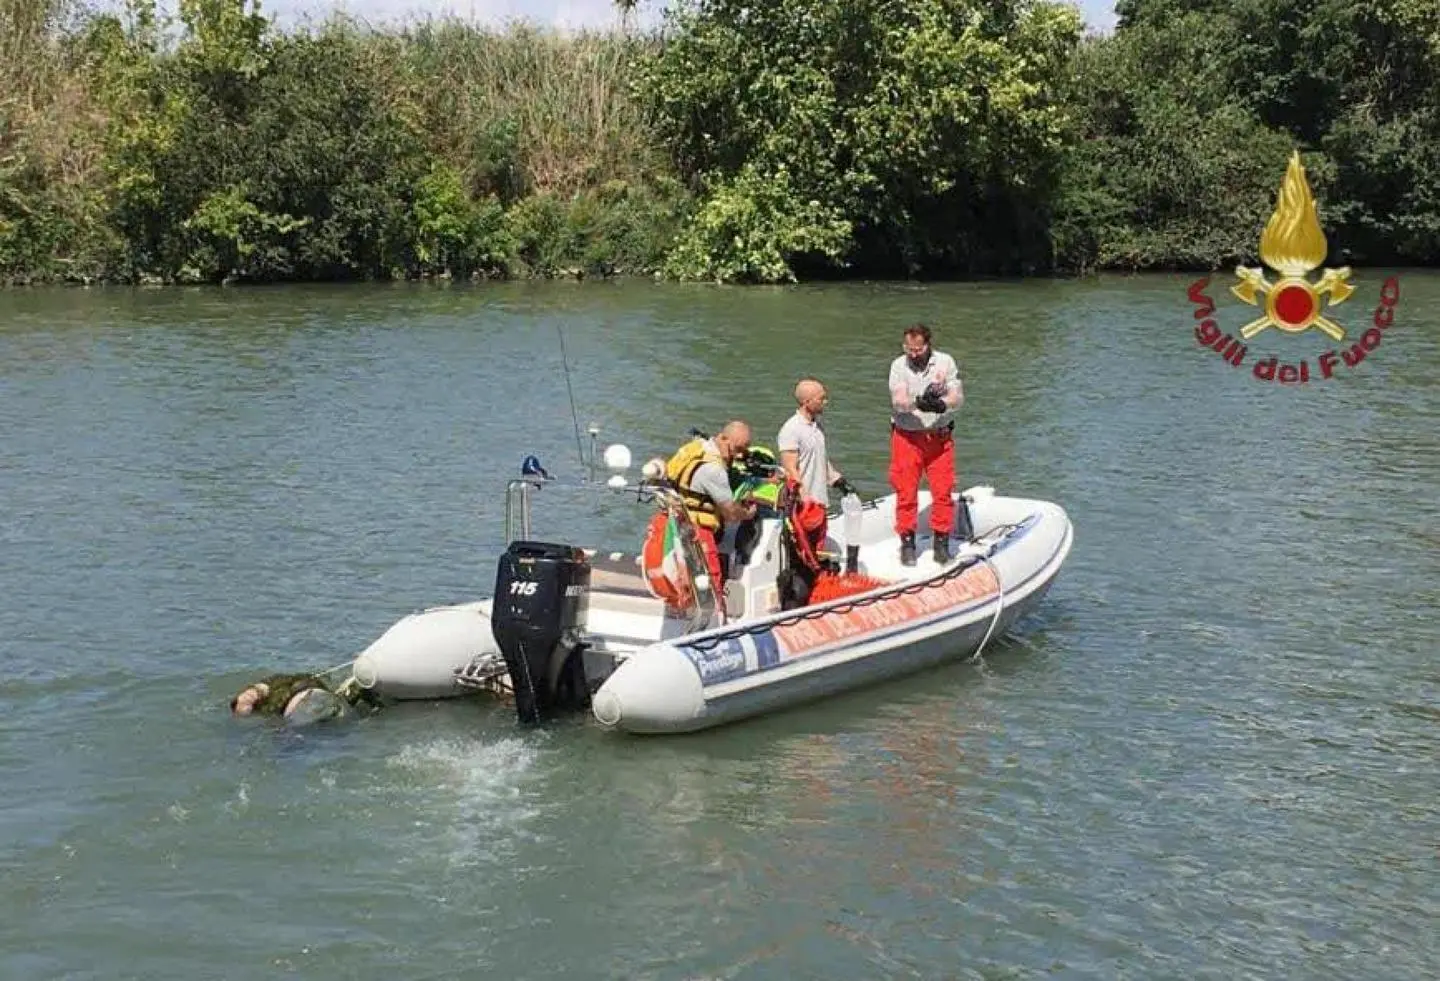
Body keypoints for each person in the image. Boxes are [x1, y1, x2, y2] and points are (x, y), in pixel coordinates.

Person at [888, 323, 964, 565]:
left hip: (939, 438)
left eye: (918, 349)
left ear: (928, 345)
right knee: (905, 491)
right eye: (909, 349)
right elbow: (899, 400)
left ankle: (941, 542)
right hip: (907, 437)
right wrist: (919, 402)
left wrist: (944, 404)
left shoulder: (945, 362)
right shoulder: (899, 365)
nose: (913, 354)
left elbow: (957, 395)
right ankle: (907, 544)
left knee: (943, 491)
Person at [664, 420, 759, 591]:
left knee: (683, 579)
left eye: (744, 451)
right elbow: (731, 513)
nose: (738, 456)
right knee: (710, 582)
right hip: (698, 532)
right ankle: (711, 611)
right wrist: (748, 513)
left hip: (678, 523)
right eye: (737, 449)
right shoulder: (714, 470)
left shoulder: (697, 449)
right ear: (723, 438)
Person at [776, 378, 858, 507]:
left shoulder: (817, 426)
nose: (825, 402)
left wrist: (837, 480)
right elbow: (790, 469)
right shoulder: (791, 429)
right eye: (821, 399)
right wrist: (804, 497)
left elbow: (820, 458)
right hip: (801, 504)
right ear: (807, 402)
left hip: (819, 501)